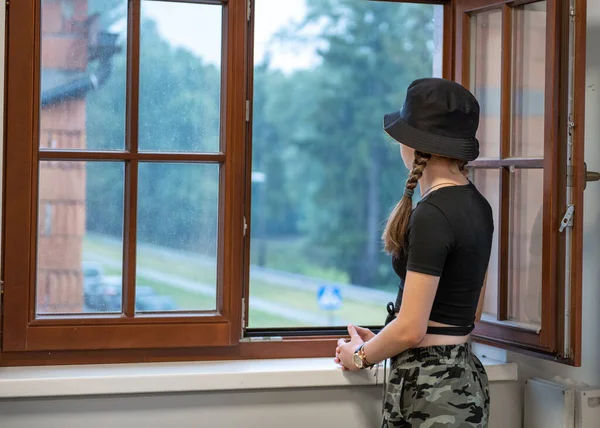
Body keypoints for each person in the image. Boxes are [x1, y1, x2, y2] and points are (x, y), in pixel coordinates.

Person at [334, 78, 493, 427]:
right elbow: (465, 312)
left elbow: (411, 329)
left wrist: (358, 356)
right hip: (462, 378)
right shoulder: (479, 206)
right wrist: (384, 342)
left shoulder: (432, 214)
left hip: (428, 387)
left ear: (414, 145)